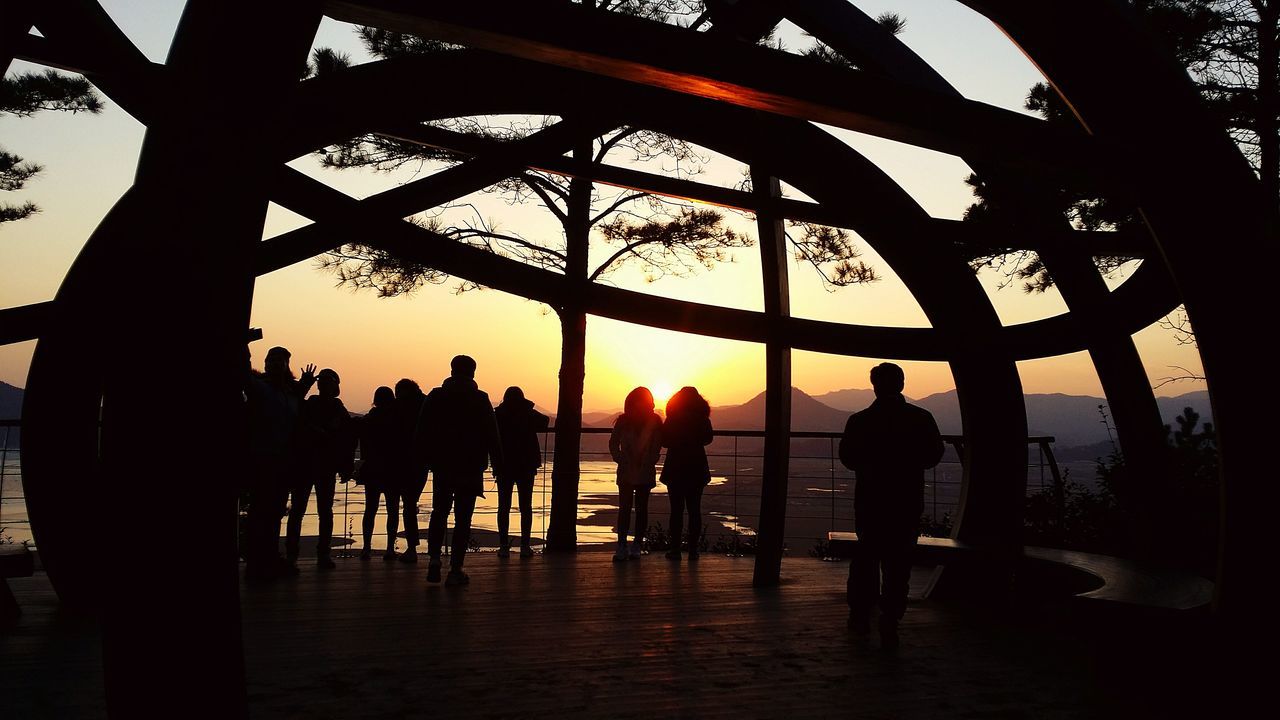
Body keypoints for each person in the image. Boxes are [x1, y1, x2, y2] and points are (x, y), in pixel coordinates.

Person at [838, 362, 943, 649]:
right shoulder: (921, 418)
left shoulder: (859, 421)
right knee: (899, 562)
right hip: (906, 500)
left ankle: (860, 614)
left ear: (874, 385)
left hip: (870, 500)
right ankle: (890, 618)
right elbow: (934, 454)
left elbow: (847, 458)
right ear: (902, 384)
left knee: (866, 557)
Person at [415, 355, 502, 586]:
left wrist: (423, 458)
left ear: (452, 370)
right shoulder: (480, 398)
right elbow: (492, 435)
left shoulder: (436, 396)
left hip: (442, 463)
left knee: (439, 512)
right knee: (463, 518)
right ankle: (456, 568)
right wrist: (498, 463)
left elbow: (422, 429)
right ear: (473, 372)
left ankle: (434, 560)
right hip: (471, 465)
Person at [243, 346, 315, 581]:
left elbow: (293, 407)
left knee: (274, 513)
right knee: (260, 512)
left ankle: (270, 558)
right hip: (262, 459)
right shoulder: (258, 388)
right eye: (270, 359)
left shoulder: (290, 393)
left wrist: (304, 385)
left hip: (283, 461)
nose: (273, 363)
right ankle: (257, 563)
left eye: (279, 360)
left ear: (286, 365)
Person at [286, 368, 356, 570]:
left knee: (312, 512)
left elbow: (347, 439)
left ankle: (310, 554)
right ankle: (307, 555)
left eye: (327, 381)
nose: (323, 385)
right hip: (309, 465)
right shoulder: (316, 405)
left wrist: (345, 464)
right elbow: (347, 439)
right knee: (312, 511)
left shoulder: (332, 407)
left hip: (317, 466)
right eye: (322, 381)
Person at [493, 386, 549, 558]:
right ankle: (525, 545)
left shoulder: (499, 415)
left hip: (504, 466)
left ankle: (503, 546)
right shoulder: (528, 414)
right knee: (526, 506)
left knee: (504, 506)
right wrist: (528, 406)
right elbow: (545, 421)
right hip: (526, 465)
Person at [609, 387, 663, 562]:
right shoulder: (623, 422)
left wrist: (648, 461)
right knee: (625, 508)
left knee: (640, 508)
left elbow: (656, 447)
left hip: (644, 470)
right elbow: (613, 443)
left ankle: (636, 544)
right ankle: (623, 544)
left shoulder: (654, 423)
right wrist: (621, 459)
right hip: (627, 470)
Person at [660, 386, 713, 561]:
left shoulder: (673, 418)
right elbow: (708, 438)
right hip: (697, 467)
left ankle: (675, 549)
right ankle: (693, 550)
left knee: (676, 511)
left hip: (675, 468)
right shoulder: (702, 418)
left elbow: (665, 441)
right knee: (694, 510)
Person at [357, 386, 401, 561]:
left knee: (370, 510)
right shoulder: (397, 420)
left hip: (372, 469)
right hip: (392, 469)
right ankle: (390, 548)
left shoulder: (369, 419)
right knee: (392, 510)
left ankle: (366, 547)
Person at [393, 378, 428, 563]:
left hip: (402, 461)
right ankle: (420, 550)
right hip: (421, 461)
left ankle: (411, 548)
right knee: (410, 504)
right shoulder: (425, 404)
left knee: (406, 505)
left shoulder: (398, 408)